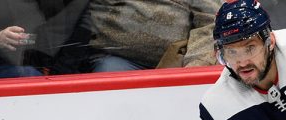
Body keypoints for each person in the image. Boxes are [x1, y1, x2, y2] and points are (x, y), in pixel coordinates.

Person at [70, 0, 221, 72]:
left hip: (183, 60)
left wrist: (196, 65)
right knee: (110, 74)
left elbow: (211, 21)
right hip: (119, 59)